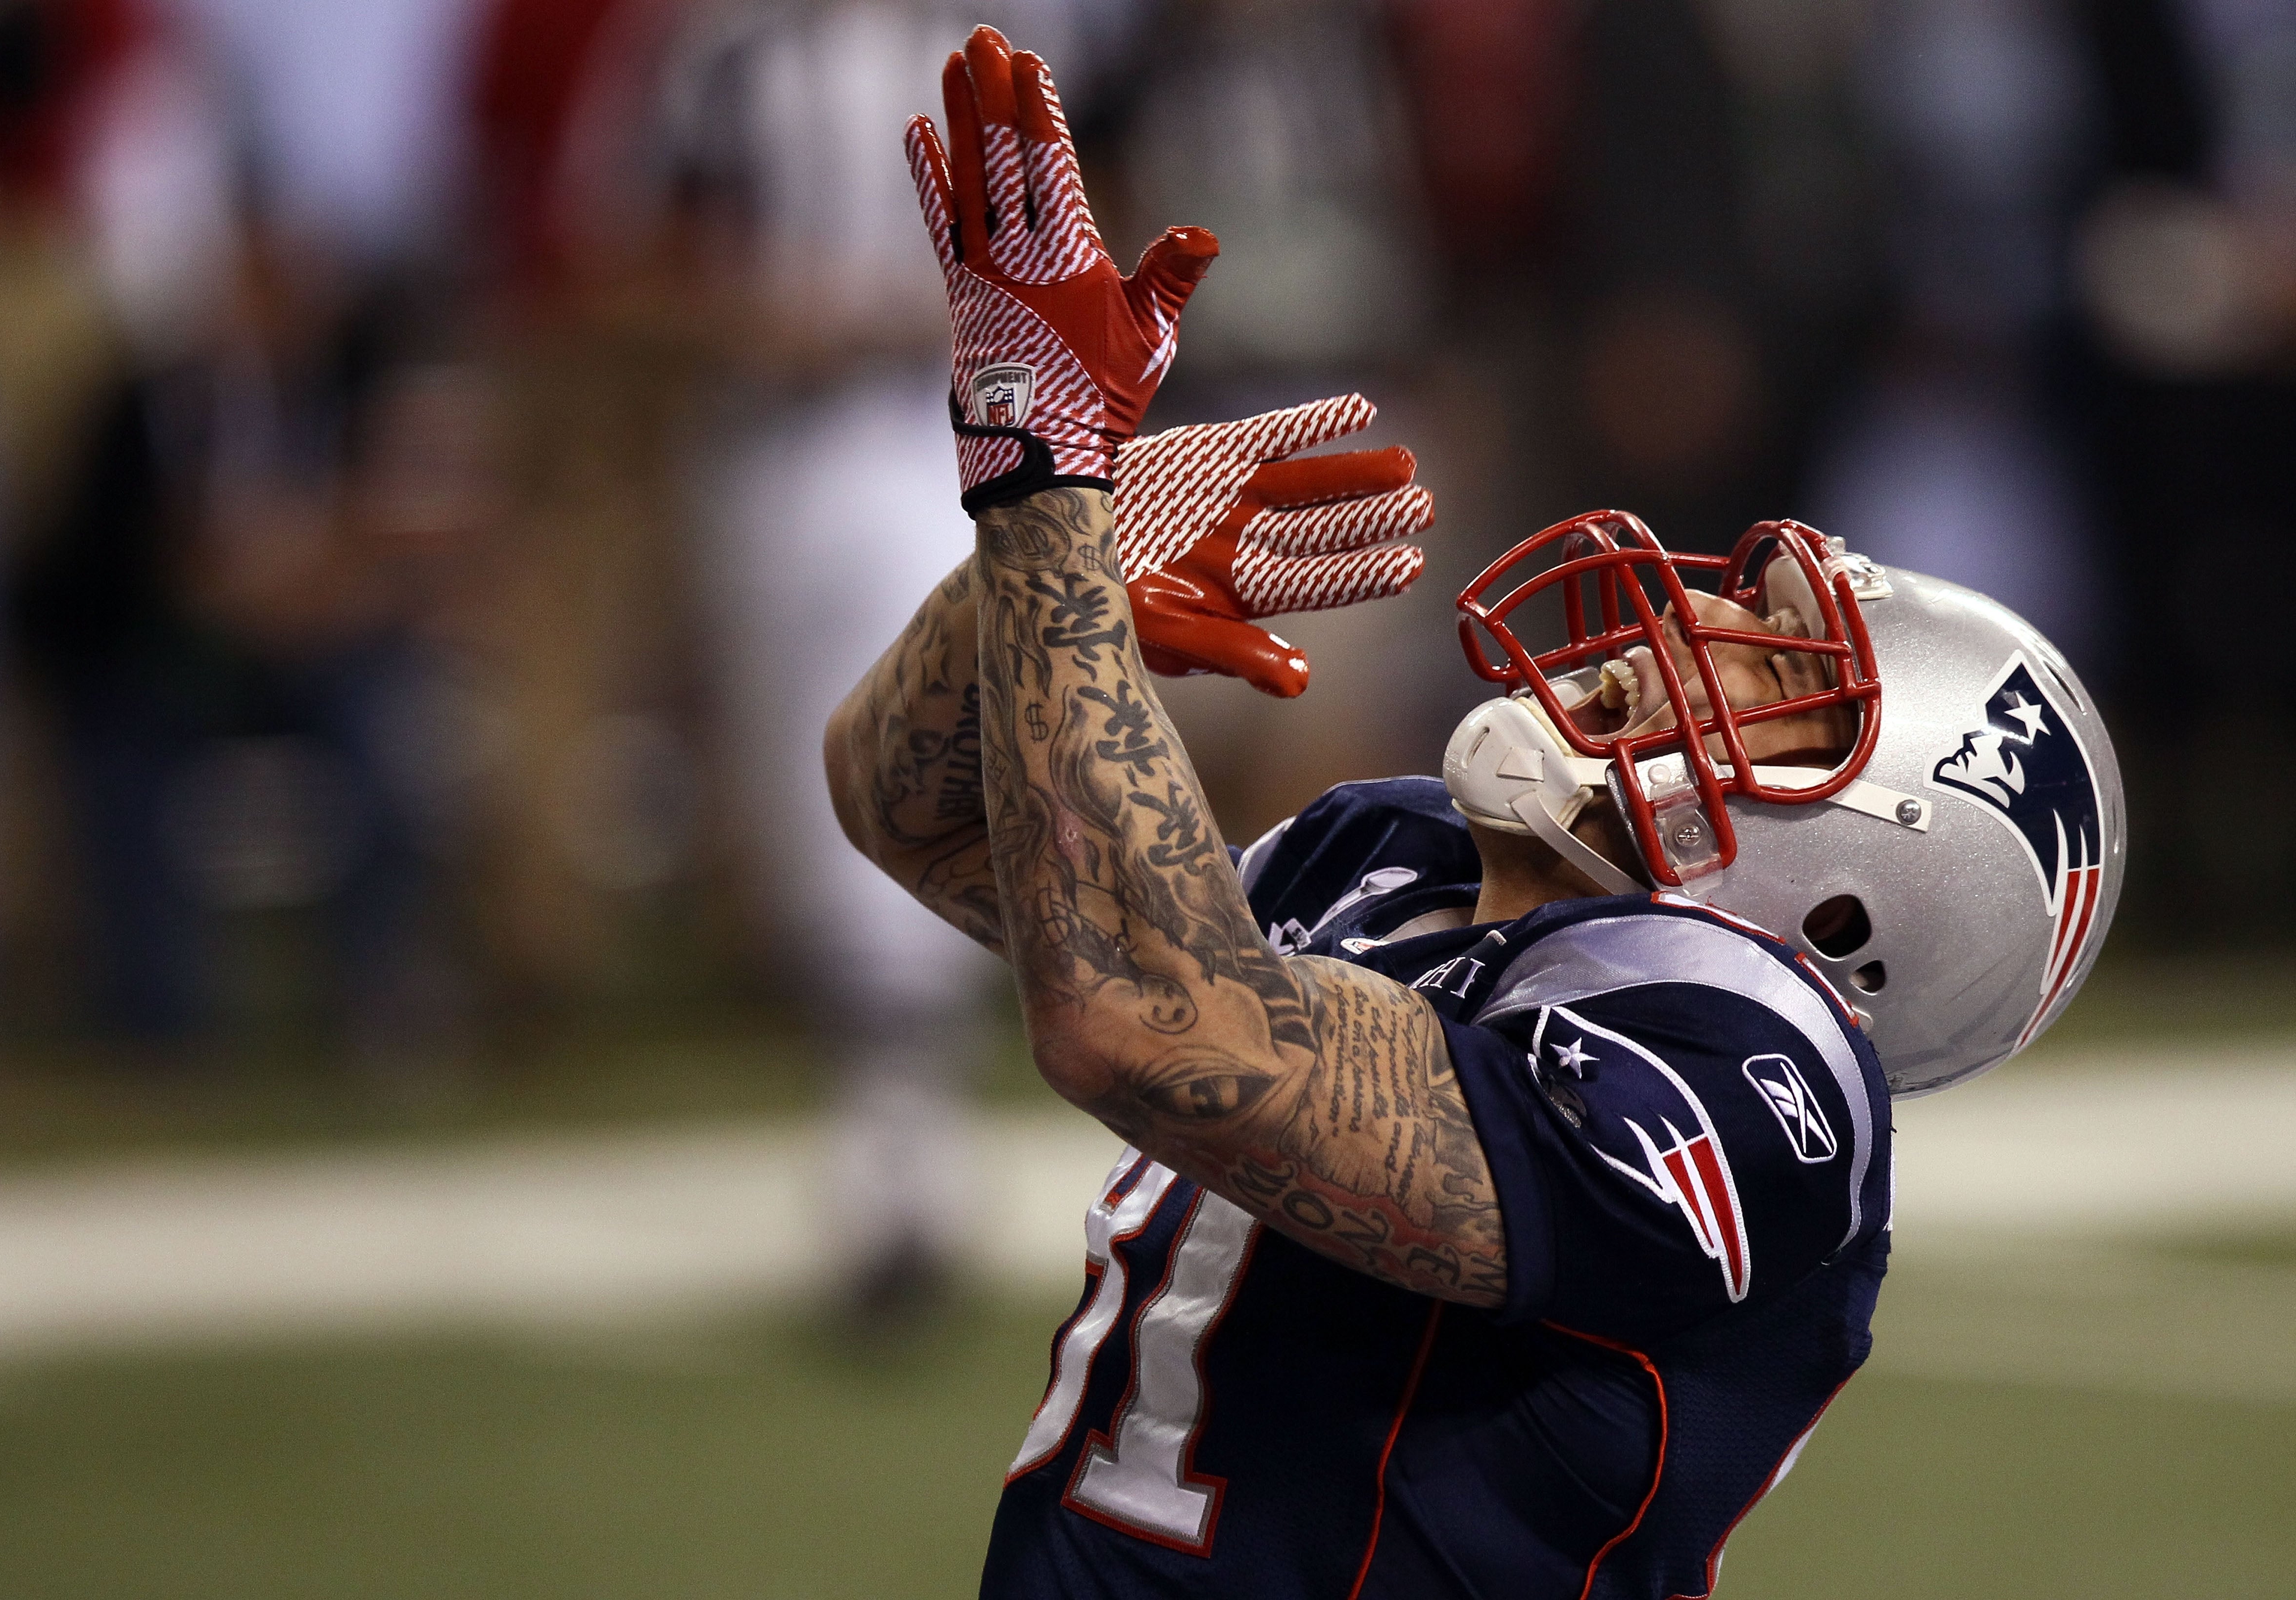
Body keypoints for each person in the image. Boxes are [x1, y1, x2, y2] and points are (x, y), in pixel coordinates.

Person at [826, 27, 2126, 1597]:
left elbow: (1142, 1016)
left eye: (1778, 667)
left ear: (1859, 902)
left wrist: (1041, 476)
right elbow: (916, 806)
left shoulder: (1752, 1072)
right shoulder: (1397, 860)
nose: (1685, 626)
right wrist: (1046, 576)